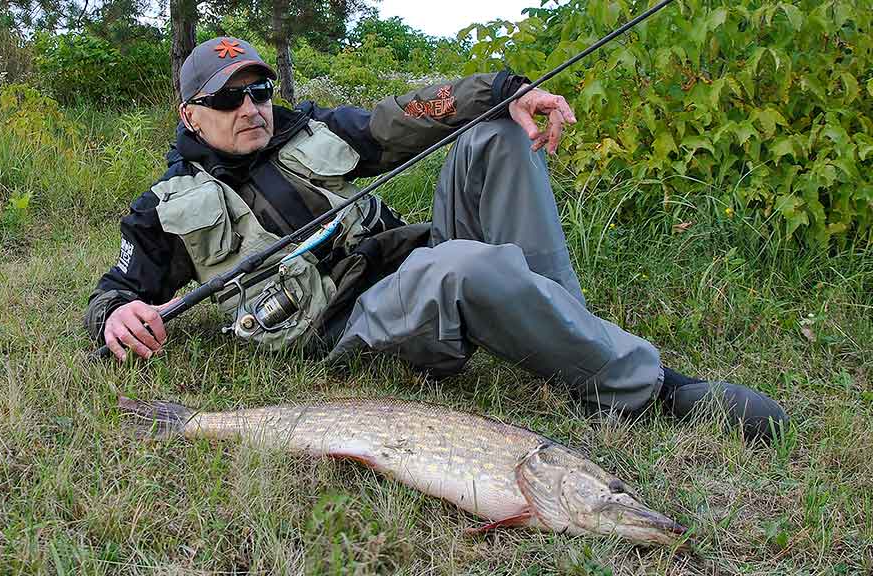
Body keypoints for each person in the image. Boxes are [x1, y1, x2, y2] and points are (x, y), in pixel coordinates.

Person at [84, 37, 788, 441]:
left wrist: (505, 91)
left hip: (412, 259)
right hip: (352, 326)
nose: (251, 108)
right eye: (228, 98)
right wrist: (116, 315)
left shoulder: (313, 129)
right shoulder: (163, 208)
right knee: (463, 268)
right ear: (191, 113)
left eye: (260, 91)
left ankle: (570, 336)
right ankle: (648, 391)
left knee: (493, 134)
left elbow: (408, 115)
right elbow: (114, 295)